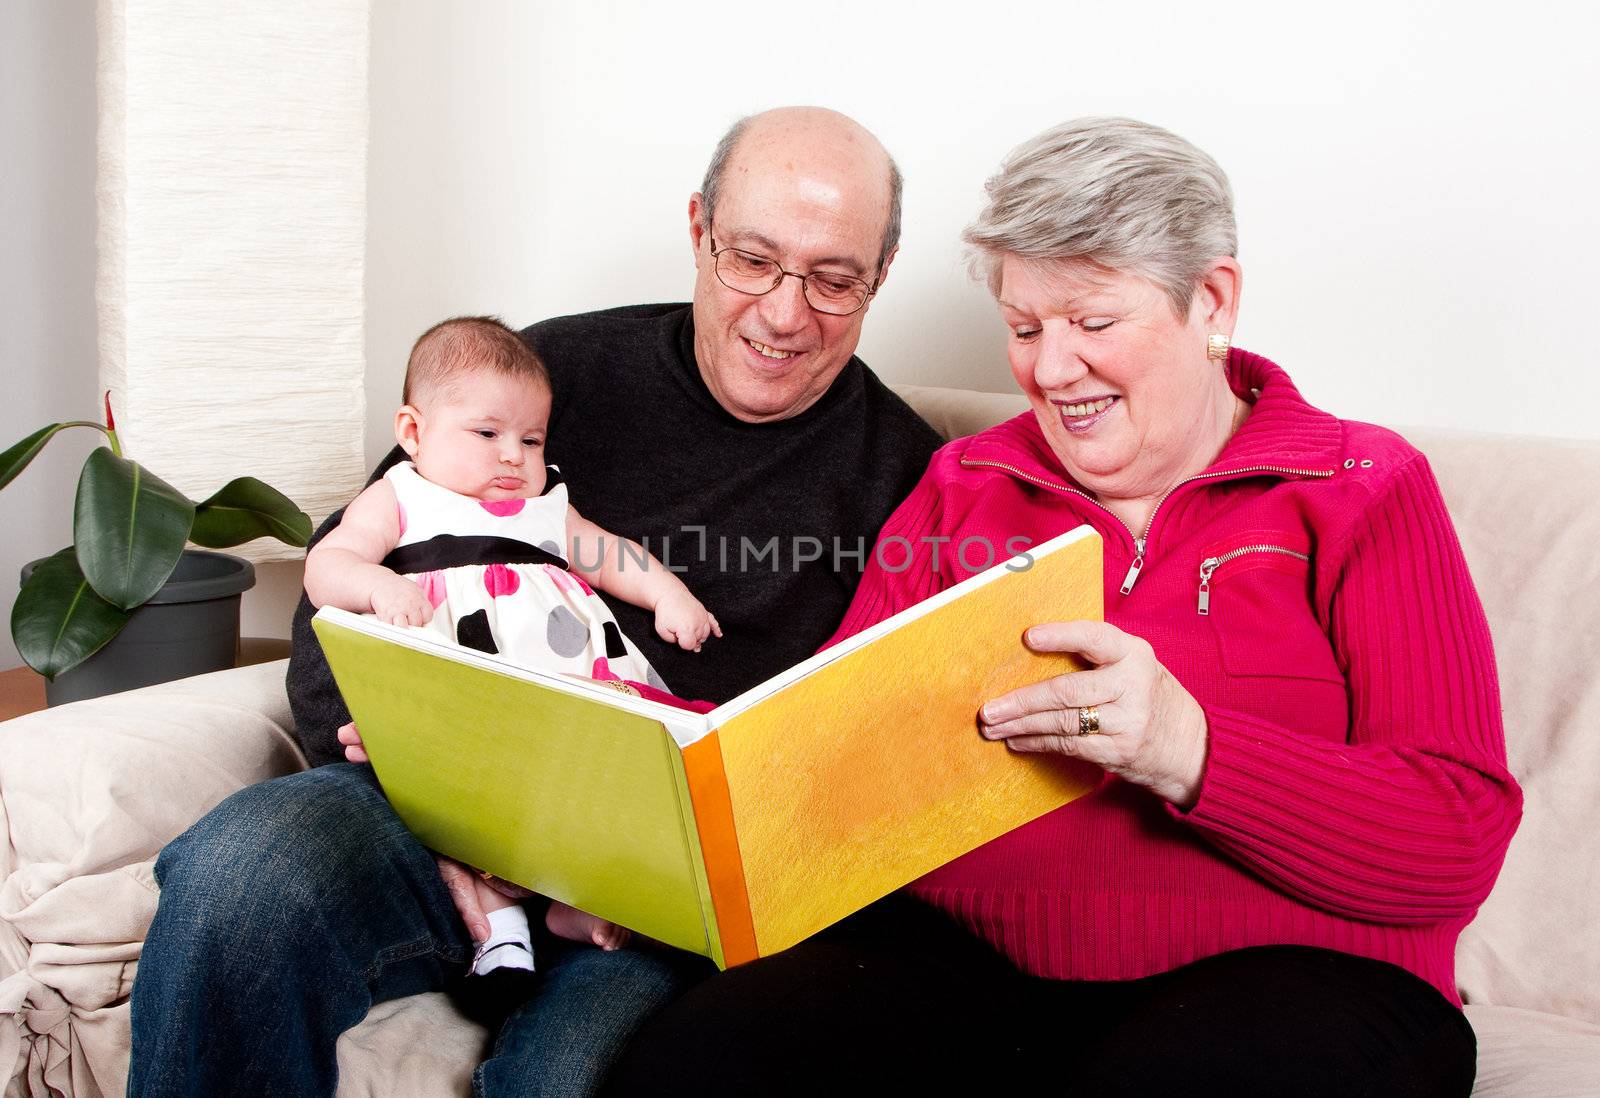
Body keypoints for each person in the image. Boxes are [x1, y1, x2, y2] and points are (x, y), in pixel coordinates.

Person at [603, 118, 1522, 1097]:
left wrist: (1189, 748)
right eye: (1025, 327)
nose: (1047, 371)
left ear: (1209, 301)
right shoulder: (966, 483)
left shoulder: (1357, 486)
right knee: (694, 1064)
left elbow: (1455, 837)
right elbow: (831, 751)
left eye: (1090, 322)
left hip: (1296, 985)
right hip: (969, 971)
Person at [127, 106, 943, 1098]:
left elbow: (883, 763)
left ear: (881, 277)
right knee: (235, 881)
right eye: (751, 259)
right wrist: (430, 804)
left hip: (656, 898)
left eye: (833, 278)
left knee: (567, 1075)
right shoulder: (543, 379)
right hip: (432, 801)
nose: (782, 313)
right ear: (697, 229)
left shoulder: (914, 476)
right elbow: (343, 584)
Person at [303, 314, 721, 1006]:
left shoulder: (545, 507)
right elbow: (328, 566)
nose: (512, 458)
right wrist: (377, 585)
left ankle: (584, 902)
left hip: (567, 691)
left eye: (531, 439)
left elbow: (608, 553)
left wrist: (669, 593)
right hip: (468, 693)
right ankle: (502, 940)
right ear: (413, 432)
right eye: (487, 433)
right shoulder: (405, 495)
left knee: (611, 779)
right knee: (464, 807)